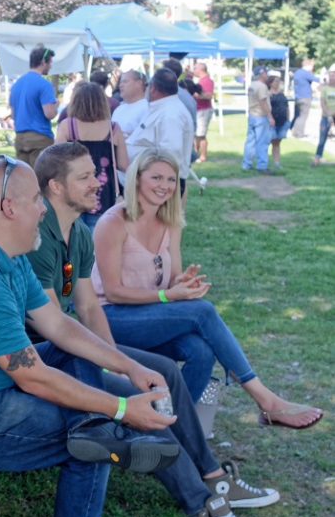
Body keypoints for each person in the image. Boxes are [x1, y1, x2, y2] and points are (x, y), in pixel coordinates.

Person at [0, 156, 182, 517]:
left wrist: (128, 367)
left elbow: (58, 324)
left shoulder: (6, 251)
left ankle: (102, 429)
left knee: (82, 389)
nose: (44, 209)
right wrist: (118, 407)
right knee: (93, 444)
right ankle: (109, 433)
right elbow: (32, 376)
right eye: (36, 200)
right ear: (9, 208)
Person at [28, 143, 280, 517]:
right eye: (85, 177)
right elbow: (56, 323)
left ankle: (211, 475)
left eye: (95, 174)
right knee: (144, 393)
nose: (99, 181)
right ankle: (203, 503)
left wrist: (116, 359)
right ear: (56, 187)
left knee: (166, 371)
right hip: (46, 355)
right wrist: (118, 366)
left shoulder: (77, 233)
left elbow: (87, 307)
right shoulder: (39, 238)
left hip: (77, 341)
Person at [92, 148, 324, 429]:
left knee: (200, 350)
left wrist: (182, 284)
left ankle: (171, 426)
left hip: (150, 313)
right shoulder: (113, 223)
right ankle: (266, 400)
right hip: (110, 318)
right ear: (136, 179)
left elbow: (173, 276)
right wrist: (168, 296)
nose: (165, 186)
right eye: (156, 178)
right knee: (202, 312)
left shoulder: (169, 220)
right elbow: (113, 291)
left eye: (171, 179)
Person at [54, 81, 128, 231]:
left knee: (74, 239)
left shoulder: (67, 126)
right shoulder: (113, 128)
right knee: (99, 240)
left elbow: (56, 161)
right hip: (103, 193)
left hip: (73, 192)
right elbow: (123, 164)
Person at [126, 68, 194, 196]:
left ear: (153, 88)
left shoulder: (170, 114)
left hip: (160, 186)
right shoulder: (163, 108)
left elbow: (170, 153)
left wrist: (158, 185)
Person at [10, 46, 58, 166]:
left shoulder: (17, 84)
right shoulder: (44, 85)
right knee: (41, 178)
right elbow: (50, 113)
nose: (51, 66)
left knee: (24, 178)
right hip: (40, 138)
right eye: (50, 62)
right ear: (43, 62)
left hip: (20, 138)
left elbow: (13, 114)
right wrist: (56, 105)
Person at [241, 66, 273, 173]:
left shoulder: (252, 85)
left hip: (252, 115)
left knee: (250, 141)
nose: (267, 75)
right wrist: (270, 116)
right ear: (261, 74)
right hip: (261, 116)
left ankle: (247, 164)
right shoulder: (262, 86)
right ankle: (262, 165)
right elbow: (263, 102)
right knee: (262, 142)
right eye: (265, 73)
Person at [193, 63, 215, 163]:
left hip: (204, 110)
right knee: (197, 134)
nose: (194, 70)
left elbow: (209, 96)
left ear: (201, 69)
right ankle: (196, 154)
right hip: (199, 110)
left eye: (195, 68)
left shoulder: (207, 81)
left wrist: (197, 96)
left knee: (201, 135)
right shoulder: (202, 80)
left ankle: (203, 156)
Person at [291, 59, 318, 138]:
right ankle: (299, 133)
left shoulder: (297, 73)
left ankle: (294, 131)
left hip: (297, 96)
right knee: (303, 116)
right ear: (308, 65)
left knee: (297, 115)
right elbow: (317, 80)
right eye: (312, 66)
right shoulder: (306, 73)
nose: (312, 68)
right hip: (305, 97)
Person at [267, 75, 290, 171]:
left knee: (277, 143)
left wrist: (288, 119)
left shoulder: (282, 94)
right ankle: (265, 162)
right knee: (272, 141)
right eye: (275, 81)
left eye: (278, 81)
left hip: (283, 121)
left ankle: (277, 163)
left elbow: (286, 106)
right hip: (273, 121)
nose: (277, 83)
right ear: (271, 83)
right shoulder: (268, 94)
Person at [312, 78, 335, 166]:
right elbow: (322, 103)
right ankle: (317, 158)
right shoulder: (325, 89)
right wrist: (328, 114)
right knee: (322, 138)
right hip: (326, 116)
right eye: (331, 76)